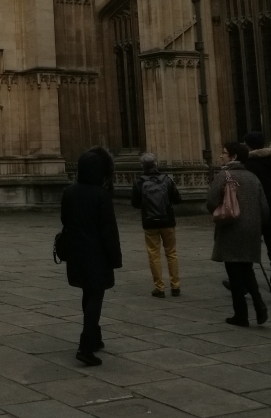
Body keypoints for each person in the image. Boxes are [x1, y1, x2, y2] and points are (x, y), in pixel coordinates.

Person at [60, 149, 122, 367]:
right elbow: (109, 231)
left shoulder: (69, 192)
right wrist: (115, 258)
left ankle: (94, 337)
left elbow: (65, 220)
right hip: (97, 254)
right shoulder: (101, 195)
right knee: (96, 295)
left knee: (88, 293)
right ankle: (85, 347)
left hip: (76, 252)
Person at [207, 141, 269, 327]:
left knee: (234, 273)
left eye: (224, 153)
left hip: (231, 228)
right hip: (251, 230)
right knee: (247, 269)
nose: (221, 156)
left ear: (234, 157)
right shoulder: (253, 177)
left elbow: (211, 203)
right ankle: (259, 305)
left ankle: (241, 315)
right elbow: (264, 208)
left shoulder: (224, 176)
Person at [131, 152, 182, 298]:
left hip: (150, 222)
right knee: (171, 253)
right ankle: (175, 286)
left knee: (154, 254)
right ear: (156, 164)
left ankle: (160, 288)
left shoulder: (139, 182)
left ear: (142, 166)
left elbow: (135, 203)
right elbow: (177, 199)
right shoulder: (166, 179)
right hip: (167, 221)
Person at [243, 132, 271, 305]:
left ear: (249, 145)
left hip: (257, 212)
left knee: (247, 253)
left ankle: (244, 285)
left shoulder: (249, 164)